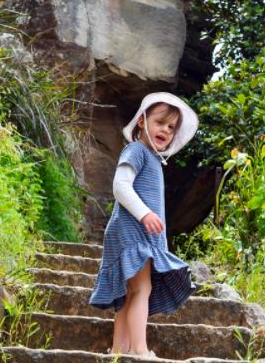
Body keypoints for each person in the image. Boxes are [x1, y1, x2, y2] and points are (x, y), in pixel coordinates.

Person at [89, 92, 199, 357]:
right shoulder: (137, 150)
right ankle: (140, 349)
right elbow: (120, 186)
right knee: (142, 289)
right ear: (141, 122)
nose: (166, 130)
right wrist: (144, 214)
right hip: (132, 231)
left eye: (171, 128)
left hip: (136, 232)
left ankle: (118, 349)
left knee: (132, 291)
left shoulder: (153, 159)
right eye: (160, 122)